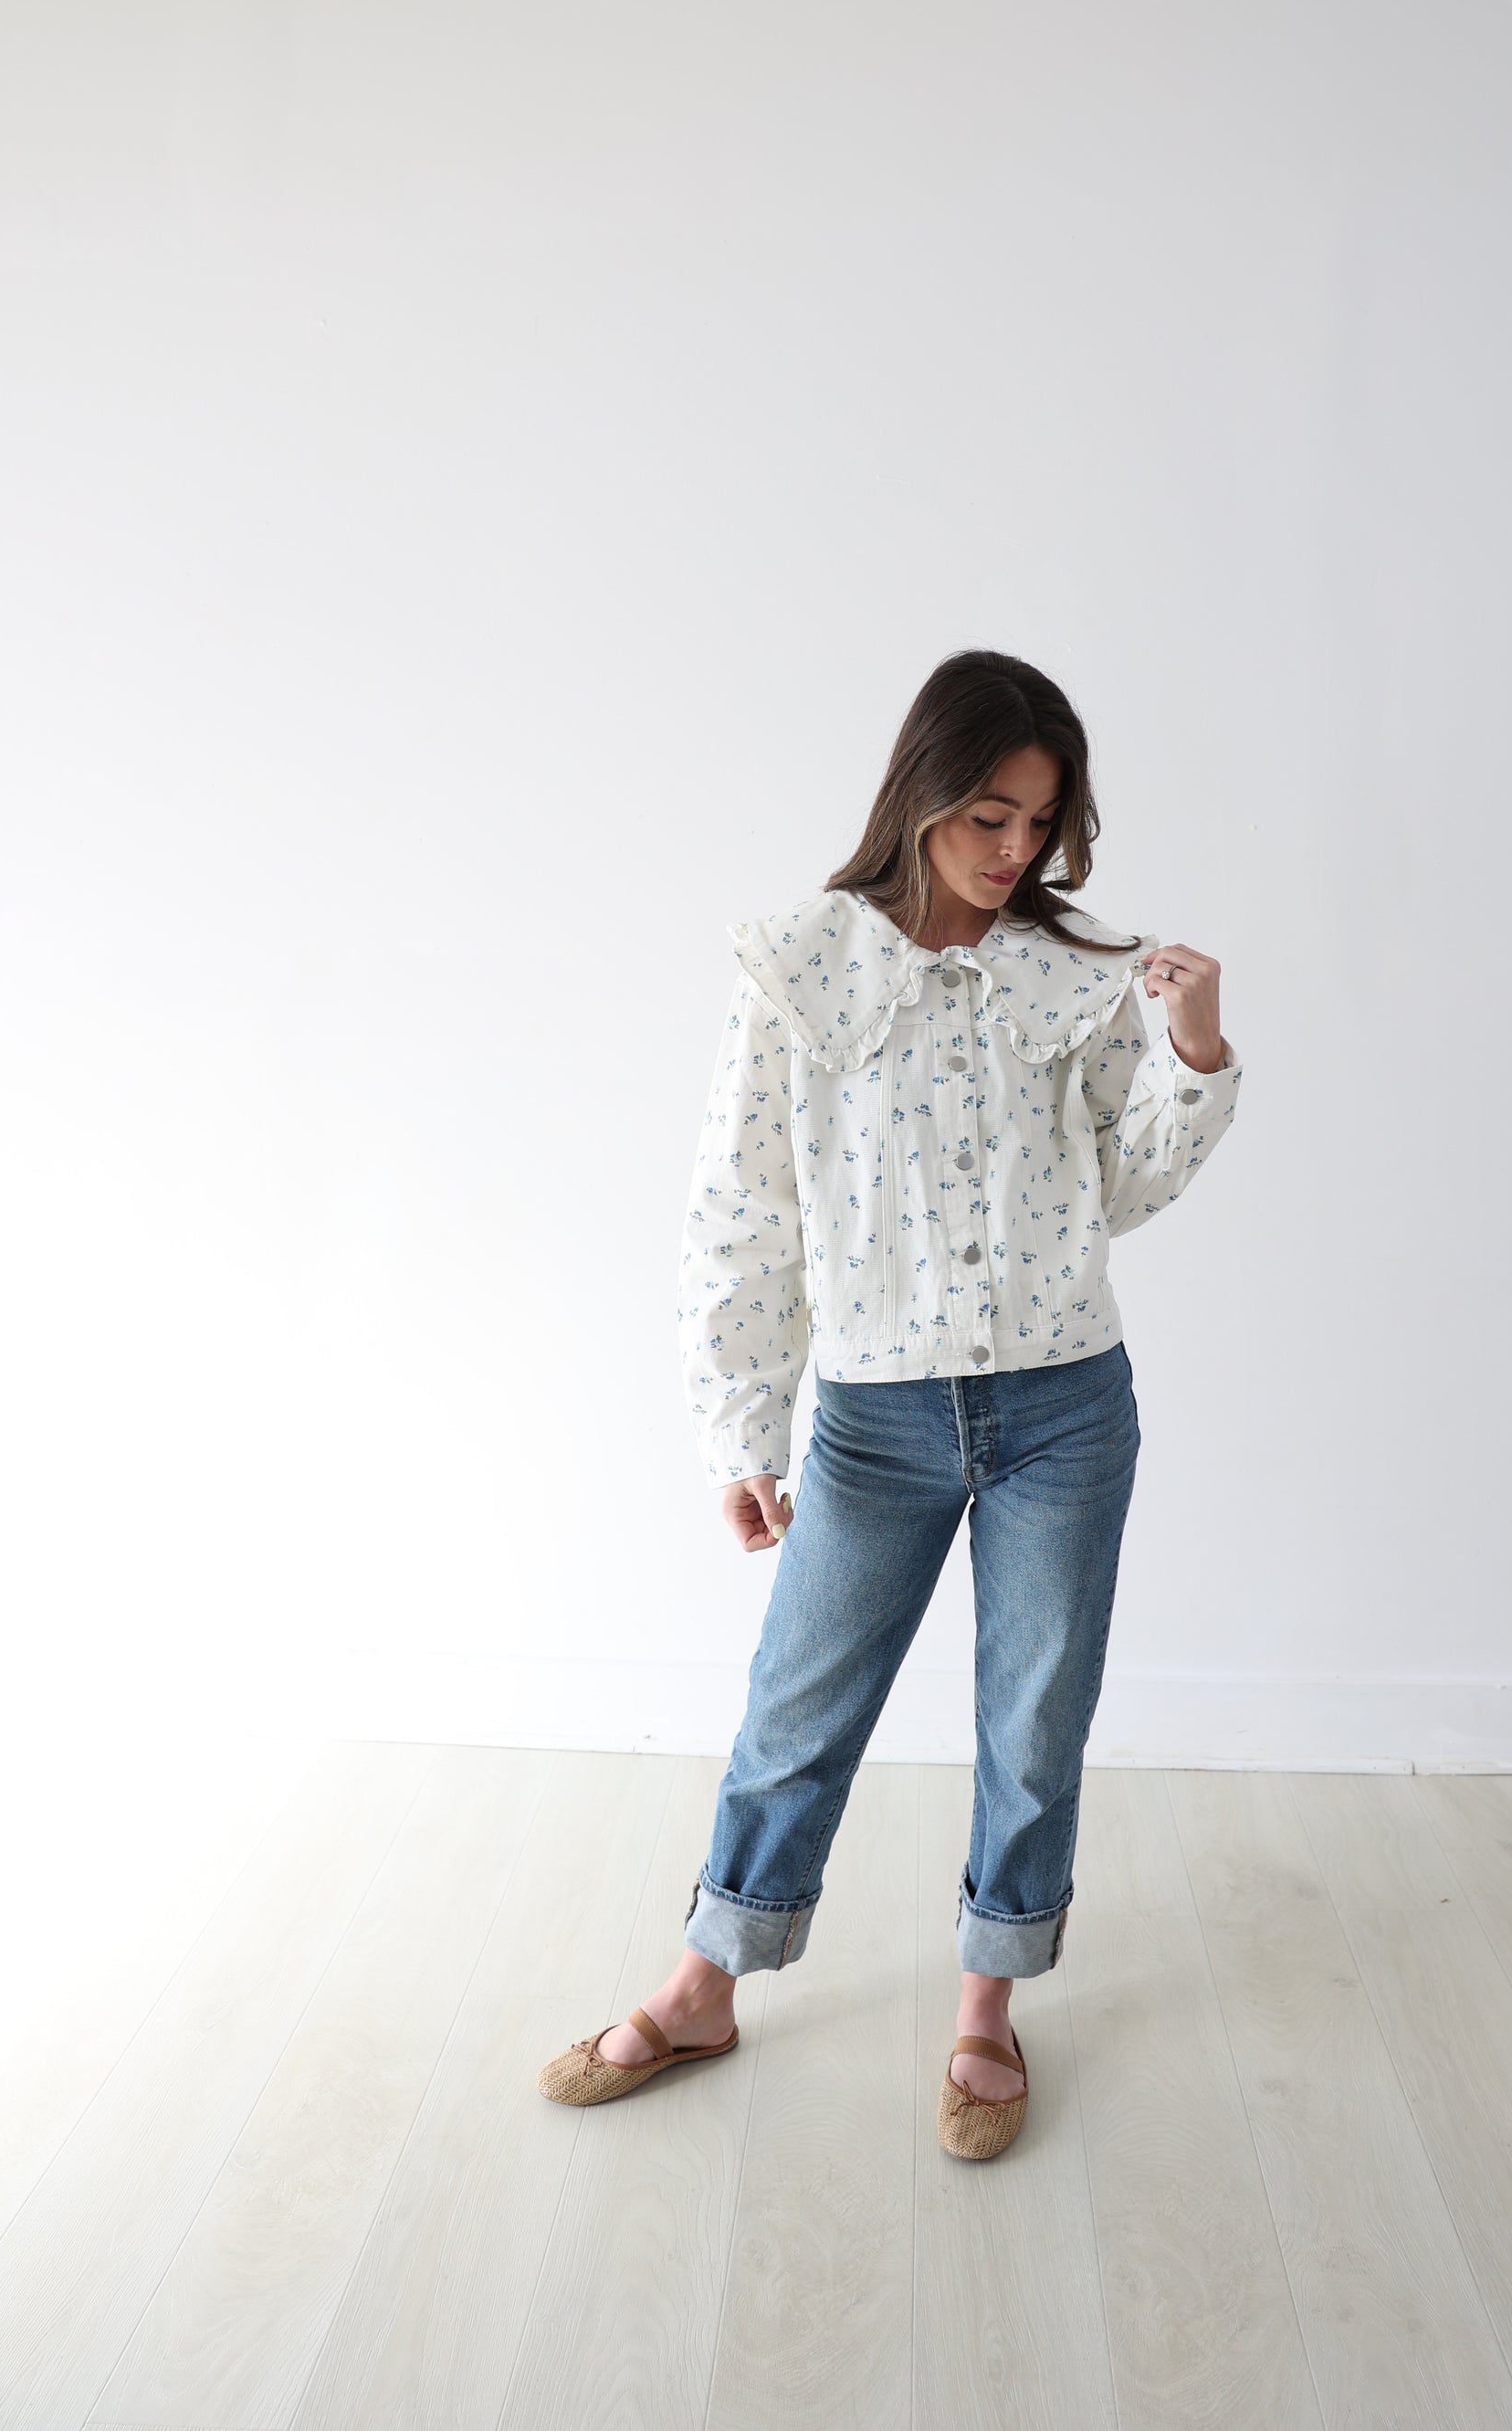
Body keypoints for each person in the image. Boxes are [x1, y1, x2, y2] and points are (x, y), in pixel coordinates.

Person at [539, 647, 1242, 2157]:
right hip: (876, 1415)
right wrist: (742, 1427)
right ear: (922, 794)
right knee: (798, 1709)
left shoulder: (1079, 975)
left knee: (1034, 1717)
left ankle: (989, 2006)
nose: (1014, 852)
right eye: (989, 817)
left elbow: (1116, 1190)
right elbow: (745, 1209)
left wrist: (1193, 1057)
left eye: (1039, 826)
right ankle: (705, 1985)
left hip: (1067, 1404)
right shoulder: (801, 967)